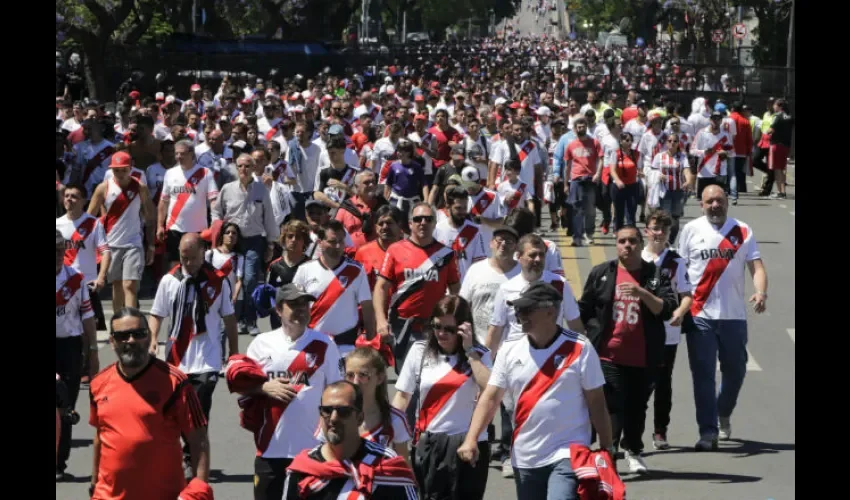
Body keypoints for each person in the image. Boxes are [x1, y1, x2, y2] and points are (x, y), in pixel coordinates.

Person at [458, 282, 613, 500]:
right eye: (518, 309)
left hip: (568, 452)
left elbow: (596, 401)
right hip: (526, 456)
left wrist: (606, 446)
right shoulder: (510, 350)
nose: (520, 315)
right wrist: (471, 438)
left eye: (527, 309)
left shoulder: (580, 348)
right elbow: (491, 397)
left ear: (550, 312)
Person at [577, 224, 677, 473]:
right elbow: (584, 309)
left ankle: (633, 449)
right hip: (608, 354)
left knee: (637, 405)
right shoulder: (602, 272)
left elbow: (665, 310)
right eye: (622, 241)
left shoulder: (654, 274)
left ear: (641, 244)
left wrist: (641, 292)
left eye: (632, 241)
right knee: (613, 403)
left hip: (644, 354)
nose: (627, 246)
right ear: (616, 244)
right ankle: (609, 450)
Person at [678, 185, 768, 450]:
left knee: (736, 370)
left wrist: (761, 291)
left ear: (727, 202)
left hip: (733, 316)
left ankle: (723, 413)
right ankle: (708, 432)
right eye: (709, 201)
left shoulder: (742, 230)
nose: (714, 205)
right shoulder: (691, 230)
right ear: (701, 204)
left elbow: (757, 267)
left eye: (719, 200)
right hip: (699, 314)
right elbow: (680, 270)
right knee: (703, 375)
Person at [88, 307, 210, 499]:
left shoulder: (175, 382)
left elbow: (199, 440)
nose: (131, 341)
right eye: (122, 336)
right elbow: (100, 436)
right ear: (112, 342)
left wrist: (199, 489)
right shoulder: (98, 383)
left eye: (138, 334)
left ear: (149, 337)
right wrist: (94, 484)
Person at [236, 283, 343, 500]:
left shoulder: (325, 344)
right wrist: (263, 387)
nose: (301, 309)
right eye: (293, 305)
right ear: (278, 310)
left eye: (305, 304)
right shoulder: (261, 344)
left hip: (313, 451)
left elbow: (337, 392)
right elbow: (243, 389)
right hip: (270, 450)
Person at [149, 233, 239, 477]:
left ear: (204, 253)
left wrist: (234, 353)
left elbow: (229, 319)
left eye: (193, 258)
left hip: (207, 358)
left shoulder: (218, 281)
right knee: (177, 411)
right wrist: (153, 341)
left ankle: (191, 459)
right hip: (177, 358)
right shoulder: (170, 281)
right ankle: (185, 452)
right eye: (183, 258)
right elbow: (157, 314)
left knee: (199, 408)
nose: (187, 264)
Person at [392, 296, 492, 499]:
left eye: (450, 329)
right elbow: (402, 397)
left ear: (464, 328)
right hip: (429, 445)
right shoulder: (419, 351)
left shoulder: (480, 354)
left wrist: (470, 351)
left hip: (469, 445)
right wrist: (390, 432)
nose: (441, 333)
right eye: (437, 326)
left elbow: (491, 390)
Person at [283, 381, 419, 499]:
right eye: (327, 410)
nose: (333, 418)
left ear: (359, 418)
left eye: (343, 411)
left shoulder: (385, 463)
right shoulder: (302, 469)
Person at [373, 202, 461, 375]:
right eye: (418, 219)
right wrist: (381, 320)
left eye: (428, 219)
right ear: (410, 223)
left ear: (435, 223)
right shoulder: (395, 250)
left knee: (432, 378)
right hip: (403, 327)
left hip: (435, 329)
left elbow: (456, 290)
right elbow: (380, 288)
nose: (423, 223)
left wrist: (454, 320)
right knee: (406, 381)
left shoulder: (446, 254)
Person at [212, 152, 280, 335]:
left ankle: (250, 320)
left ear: (253, 168)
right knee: (228, 280)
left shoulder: (261, 189)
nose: (243, 169)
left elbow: (269, 218)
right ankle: (231, 318)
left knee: (250, 280)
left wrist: (271, 244)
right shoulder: (227, 189)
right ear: (236, 167)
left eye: (248, 166)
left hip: (254, 241)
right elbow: (216, 212)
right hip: (232, 240)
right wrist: (217, 231)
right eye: (240, 166)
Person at [641, 210, 693, 451]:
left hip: (667, 333)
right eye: (655, 227)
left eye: (664, 228)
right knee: (639, 384)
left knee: (663, 382)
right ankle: (632, 432)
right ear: (646, 231)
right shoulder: (636, 259)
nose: (659, 233)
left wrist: (679, 313)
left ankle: (660, 430)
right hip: (639, 331)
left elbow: (686, 296)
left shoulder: (676, 261)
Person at [292, 220, 376, 356]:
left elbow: (367, 307)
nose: (337, 246)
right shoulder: (305, 270)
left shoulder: (356, 270)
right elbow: (293, 308)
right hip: (312, 346)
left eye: (341, 241)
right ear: (320, 242)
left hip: (346, 346)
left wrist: (371, 342)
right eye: (332, 241)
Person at [88, 151, 156, 311]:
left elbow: (150, 217)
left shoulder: (140, 187)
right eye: (116, 170)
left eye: (123, 169)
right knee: (117, 285)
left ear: (130, 168)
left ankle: (132, 322)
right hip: (110, 245)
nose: (119, 173)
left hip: (134, 243)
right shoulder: (103, 188)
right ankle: (119, 323)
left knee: (130, 284)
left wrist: (151, 244)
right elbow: (89, 218)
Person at [56, 229, 99, 481]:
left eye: (61, 249)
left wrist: (92, 350)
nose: (58, 254)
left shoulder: (77, 279)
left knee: (66, 407)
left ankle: (60, 463)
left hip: (70, 347)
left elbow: (87, 316)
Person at [56, 183, 111, 332]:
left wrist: (101, 277)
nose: (69, 199)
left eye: (74, 196)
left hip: (86, 285)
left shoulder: (94, 224)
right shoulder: (57, 224)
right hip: (62, 285)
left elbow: (105, 251)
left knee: (89, 331)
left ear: (84, 201)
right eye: (67, 196)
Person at [344, 347, 412, 461]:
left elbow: (404, 470)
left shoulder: (395, 419)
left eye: (363, 375)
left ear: (380, 378)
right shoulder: (334, 413)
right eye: (350, 375)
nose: (355, 381)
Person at [267, 220, 312, 329]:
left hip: (303, 318)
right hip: (279, 319)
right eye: (290, 236)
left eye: (298, 237)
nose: (293, 240)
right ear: (284, 239)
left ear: (304, 241)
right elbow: (270, 294)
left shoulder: (311, 265)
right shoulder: (274, 266)